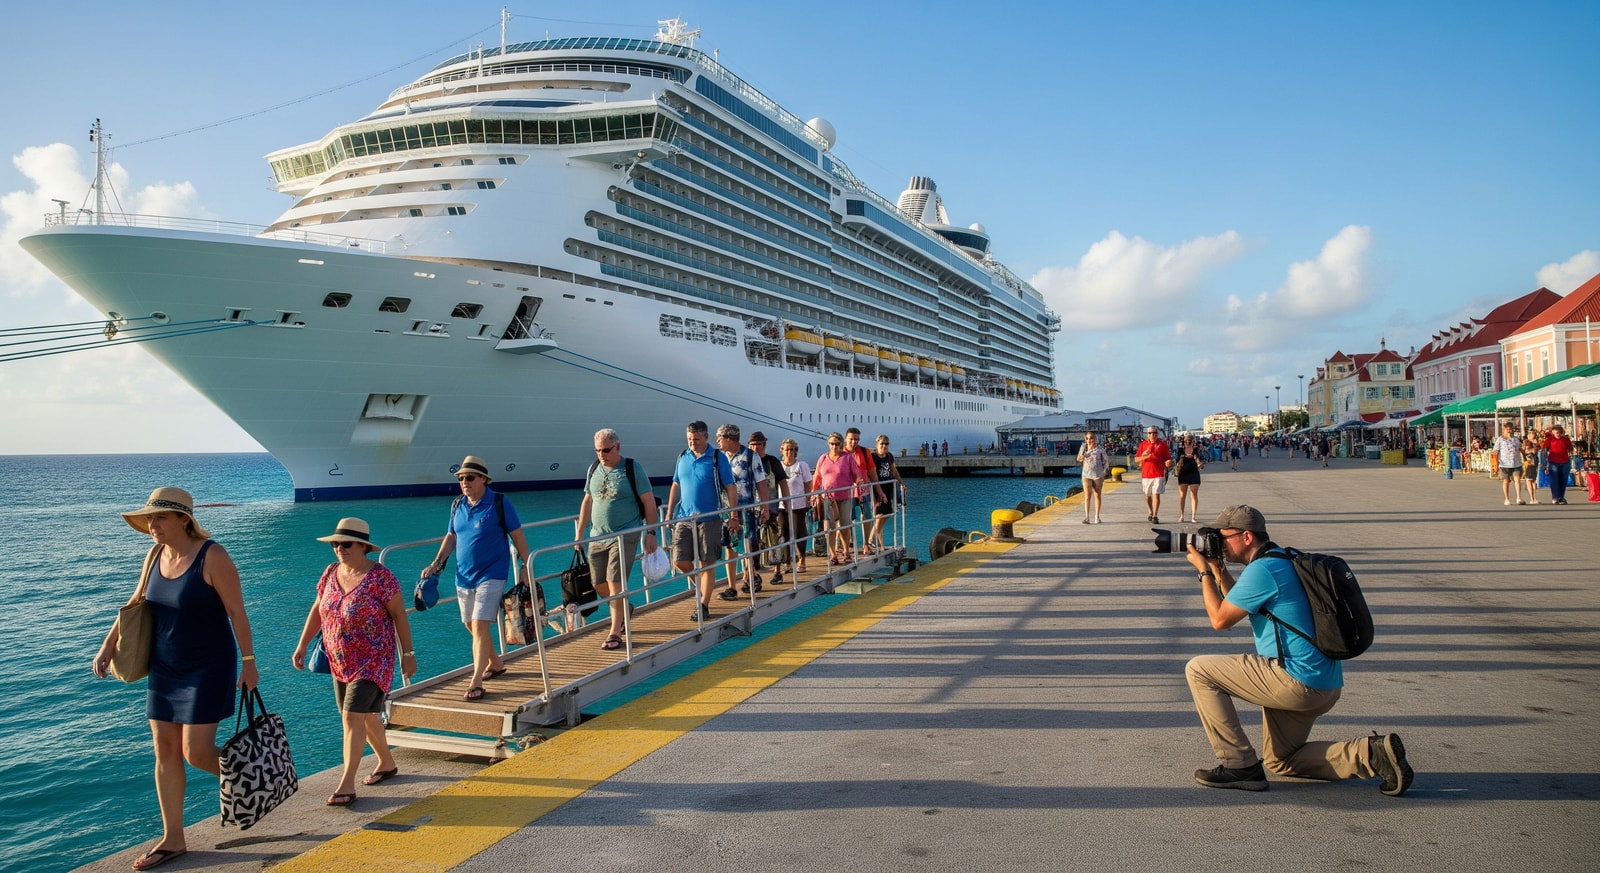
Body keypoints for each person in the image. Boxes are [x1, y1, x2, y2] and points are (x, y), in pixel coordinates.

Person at [1183, 505, 1413, 795]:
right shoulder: (1283, 559)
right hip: (1323, 683)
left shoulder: (1262, 570)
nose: (1219, 543)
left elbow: (1219, 619)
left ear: (1247, 537)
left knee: (1198, 669)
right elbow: (1235, 601)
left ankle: (1238, 764)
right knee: (1282, 762)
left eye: (1223, 536)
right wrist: (1218, 569)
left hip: (1295, 681)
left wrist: (1203, 572)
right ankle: (1371, 754)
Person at [93, 488, 258, 871]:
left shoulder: (212, 555)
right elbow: (134, 604)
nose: (153, 526)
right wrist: (107, 645)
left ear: (184, 519)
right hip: (164, 667)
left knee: (195, 752)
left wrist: (249, 664)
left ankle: (251, 779)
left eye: (160, 518)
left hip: (208, 667)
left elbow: (237, 612)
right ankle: (173, 838)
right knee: (163, 750)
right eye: (149, 519)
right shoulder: (154, 555)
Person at [292, 518, 416, 806]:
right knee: (367, 716)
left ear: (363, 546)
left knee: (351, 717)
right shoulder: (330, 573)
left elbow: (399, 616)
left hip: (373, 661)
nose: (339, 548)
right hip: (340, 661)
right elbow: (318, 609)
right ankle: (386, 763)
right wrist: (302, 644)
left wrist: (407, 655)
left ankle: (346, 784)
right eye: (335, 544)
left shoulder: (382, 578)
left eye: (346, 543)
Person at [420, 456, 532, 701]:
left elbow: (518, 536)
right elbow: (451, 537)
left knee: (480, 624)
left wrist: (526, 565)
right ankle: (496, 663)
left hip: (492, 574)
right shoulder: (457, 505)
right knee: (470, 625)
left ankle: (476, 679)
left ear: (483, 479)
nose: (464, 482)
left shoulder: (499, 503)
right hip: (464, 575)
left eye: (469, 477)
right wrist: (436, 564)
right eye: (461, 478)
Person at [576, 428, 660, 650]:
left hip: (625, 534)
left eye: (606, 450)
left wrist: (651, 533)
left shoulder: (632, 468)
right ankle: (625, 608)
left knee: (615, 583)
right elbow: (587, 501)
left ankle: (615, 631)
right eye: (597, 451)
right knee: (597, 583)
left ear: (618, 447)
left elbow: (649, 503)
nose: (601, 454)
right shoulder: (593, 468)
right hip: (597, 536)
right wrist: (579, 533)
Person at [665, 421, 738, 622]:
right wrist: (670, 512)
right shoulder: (683, 457)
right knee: (679, 560)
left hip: (710, 518)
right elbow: (675, 484)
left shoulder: (717, 458)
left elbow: (730, 487)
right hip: (684, 517)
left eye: (696, 439)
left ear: (706, 437)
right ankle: (703, 583)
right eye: (689, 439)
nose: (693, 443)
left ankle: (703, 605)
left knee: (707, 563)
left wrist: (733, 515)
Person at [714, 424, 773, 601]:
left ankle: (751, 576)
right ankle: (732, 586)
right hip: (725, 509)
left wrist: (765, 507)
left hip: (745, 508)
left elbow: (762, 483)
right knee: (729, 547)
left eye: (720, 438)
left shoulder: (750, 456)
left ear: (730, 438)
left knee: (747, 544)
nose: (717, 442)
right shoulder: (719, 457)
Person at [812, 432, 867, 565]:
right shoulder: (823, 458)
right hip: (828, 497)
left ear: (841, 444)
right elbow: (817, 477)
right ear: (828, 444)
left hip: (844, 496)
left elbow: (856, 475)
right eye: (831, 444)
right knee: (828, 526)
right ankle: (832, 554)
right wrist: (813, 494)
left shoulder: (847, 457)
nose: (834, 446)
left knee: (845, 524)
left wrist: (859, 481)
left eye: (837, 444)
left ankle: (846, 551)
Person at [746, 431, 790, 583]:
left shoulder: (772, 462)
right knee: (751, 544)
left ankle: (777, 572)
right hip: (751, 509)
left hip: (772, 508)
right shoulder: (744, 462)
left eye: (758, 444)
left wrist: (787, 504)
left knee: (774, 540)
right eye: (752, 444)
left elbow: (783, 483)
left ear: (764, 445)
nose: (755, 447)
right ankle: (751, 575)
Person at [777, 438, 813, 576]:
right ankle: (787, 562)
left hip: (798, 504)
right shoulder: (779, 466)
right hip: (782, 505)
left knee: (799, 533)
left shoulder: (801, 465)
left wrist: (807, 498)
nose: (789, 452)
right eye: (786, 449)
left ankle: (802, 559)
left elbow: (808, 483)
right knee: (783, 534)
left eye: (792, 449)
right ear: (782, 451)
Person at [867, 435, 906, 552]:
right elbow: (869, 472)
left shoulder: (889, 456)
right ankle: (871, 540)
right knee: (879, 515)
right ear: (877, 445)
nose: (884, 446)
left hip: (888, 487)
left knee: (887, 513)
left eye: (886, 444)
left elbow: (893, 471)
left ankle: (877, 542)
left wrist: (901, 483)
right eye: (882, 444)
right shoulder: (873, 457)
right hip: (877, 488)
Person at [842, 428, 876, 555]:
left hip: (864, 490)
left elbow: (872, 471)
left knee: (866, 516)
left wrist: (879, 490)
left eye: (856, 439)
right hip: (847, 491)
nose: (853, 441)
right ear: (846, 439)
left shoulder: (864, 451)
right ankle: (847, 546)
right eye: (851, 439)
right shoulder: (841, 453)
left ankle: (866, 544)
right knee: (847, 518)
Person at [1136, 427, 1173, 524]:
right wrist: (1144, 456)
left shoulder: (1162, 445)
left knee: (1156, 494)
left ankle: (1155, 515)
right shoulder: (1143, 444)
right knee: (1147, 496)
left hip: (1158, 473)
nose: (1152, 435)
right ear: (1147, 434)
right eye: (1150, 433)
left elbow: (1167, 458)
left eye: (1154, 433)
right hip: (1146, 474)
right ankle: (1150, 511)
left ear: (1157, 434)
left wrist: (1168, 462)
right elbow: (1136, 460)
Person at [1076, 432, 1109, 524]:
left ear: (1095, 439)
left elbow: (1106, 461)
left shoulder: (1100, 449)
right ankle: (1087, 517)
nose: (1089, 440)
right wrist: (1083, 456)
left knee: (1097, 495)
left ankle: (1097, 517)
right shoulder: (1083, 448)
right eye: (1087, 438)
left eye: (1091, 438)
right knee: (1087, 496)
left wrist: (1104, 472)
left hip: (1098, 475)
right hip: (1086, 474)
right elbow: (1078, 459)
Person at [1493, 423, 1526, 506]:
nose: (1509, 430)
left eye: (1510, 428)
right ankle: (1507, 499)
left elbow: (1521, 449)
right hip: (1504, 464)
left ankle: (1519, 497)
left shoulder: (1516, 439)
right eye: (1507, 428)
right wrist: (1496, 463)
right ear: (1504, 429)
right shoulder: (1500, 440)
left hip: (1516, 463)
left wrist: (1524, 458)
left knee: (1517, 480)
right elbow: (1495, 452)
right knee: (1506, 481)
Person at [1542, 424, 1575, 505]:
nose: (1558, 434)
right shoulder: (1549, 440)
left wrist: (1572, 458)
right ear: (1553, 432)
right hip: (1553, 462)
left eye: (1560, 432)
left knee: (1563, 480)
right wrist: (1544, 464)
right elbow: (1544, 452)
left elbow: (1571, 449)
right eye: (1557, 432)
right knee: (1554, 480)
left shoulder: (1566, 440)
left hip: (1565, 462)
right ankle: (1555, 497)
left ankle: (1561, 497)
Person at [1175, 436, 1205, 523]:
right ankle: (1182, 515)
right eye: (1186, 442)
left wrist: (1200, 464)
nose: (1188, 443)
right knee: (1182, 496)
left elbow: (1200, 461)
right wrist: (1179, 462)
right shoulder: (1180, 450)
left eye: (1190, 442)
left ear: (1193, 442)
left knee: (1194, 495)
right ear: (1184, 442)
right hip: (1183, 474)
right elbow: (1177, 461)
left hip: (1194, 474)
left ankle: (1193, 516)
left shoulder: (1196, 450)